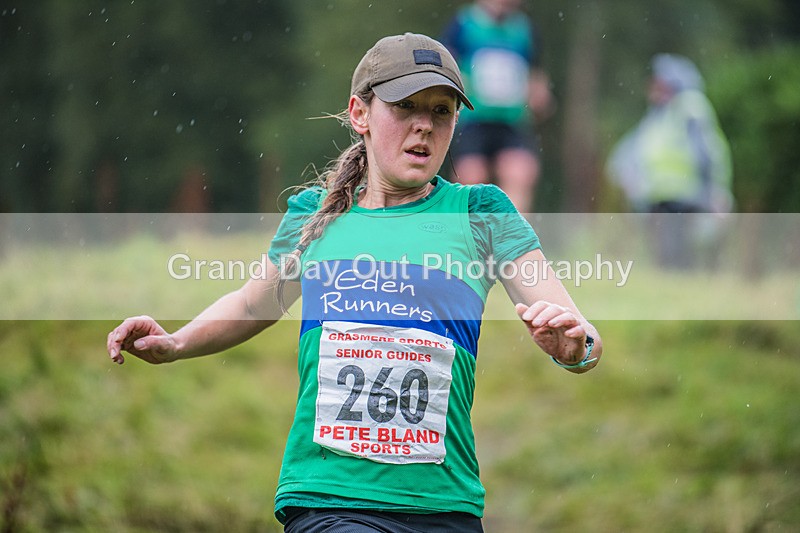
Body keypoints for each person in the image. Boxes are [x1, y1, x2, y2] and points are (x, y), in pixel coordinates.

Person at [106, 33, 601, 532]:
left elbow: (582, 333)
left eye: (442, 110)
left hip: (444, 505)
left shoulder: (482, 213)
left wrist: (574, 347)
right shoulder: (314, 216)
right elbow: (252, 303)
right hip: (330, 497)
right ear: (360, 114)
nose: (424, 124)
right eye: (405, 106)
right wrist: (175, 342)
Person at [606, 53, 733, 269]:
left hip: (685, 196)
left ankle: (682, 289)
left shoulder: (690, 107)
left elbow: (707, 153)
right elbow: (631, 153)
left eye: (658, 82)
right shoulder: (658, 114)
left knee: (679, 254)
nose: (652, 87)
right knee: (666, 254)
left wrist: (714, 191)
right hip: (660, 197)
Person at [440, 0, 554, 213]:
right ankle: (471, 239)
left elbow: (535, 72)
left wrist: (539, 93)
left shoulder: (525, 29)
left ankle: (514, 240)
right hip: (473, 119)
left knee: (520, 172)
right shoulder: (463, 25)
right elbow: (445, 65)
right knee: (471, 177)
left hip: (512, 120)